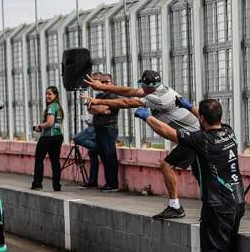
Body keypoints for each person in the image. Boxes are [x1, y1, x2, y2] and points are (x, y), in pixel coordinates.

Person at [136, 98, 245, 252]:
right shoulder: (229, 132)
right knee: (228, 247)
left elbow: (169, 133)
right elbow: (205, 117)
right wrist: (187, 107)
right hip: (237, 200)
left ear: (201, 118)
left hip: (217, 203)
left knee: (220, 250)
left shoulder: (202, 139)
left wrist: (147, 116)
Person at [85, 69, 200, 219]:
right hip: (194, 135)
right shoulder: (161, 88)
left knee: (167, 165)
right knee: (201, 173)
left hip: (191, 137)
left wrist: (99, 100)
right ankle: (209, 206)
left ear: (148, 86)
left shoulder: (157, 98)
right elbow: (129, 91)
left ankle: (175, 206)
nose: (141, 89)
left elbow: (127, 102)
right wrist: (102, 88)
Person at [90, 73, 121, 192]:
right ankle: (109, 182)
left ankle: (112, 183)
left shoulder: (113, 96)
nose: (104, 84)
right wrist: (98, 108)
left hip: (109, 129)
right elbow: (90, 108)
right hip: (99, 129)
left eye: (106, 82)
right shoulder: (99, 95)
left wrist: (97, 107)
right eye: (102, 82)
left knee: (110, 156)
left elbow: (104, 109)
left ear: (111, 83)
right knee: (103, 156)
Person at [31, 86, 65, 192]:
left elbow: (50, 122)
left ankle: (37, 184)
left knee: (39, 159)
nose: (47, 96)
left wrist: (39, 127)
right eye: (46, 94)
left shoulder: (51, 107)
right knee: (55, 161)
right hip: (58, 136)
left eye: (50, 94)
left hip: (48, 137)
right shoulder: (59, 107)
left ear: (56, 95)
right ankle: (57, 186)